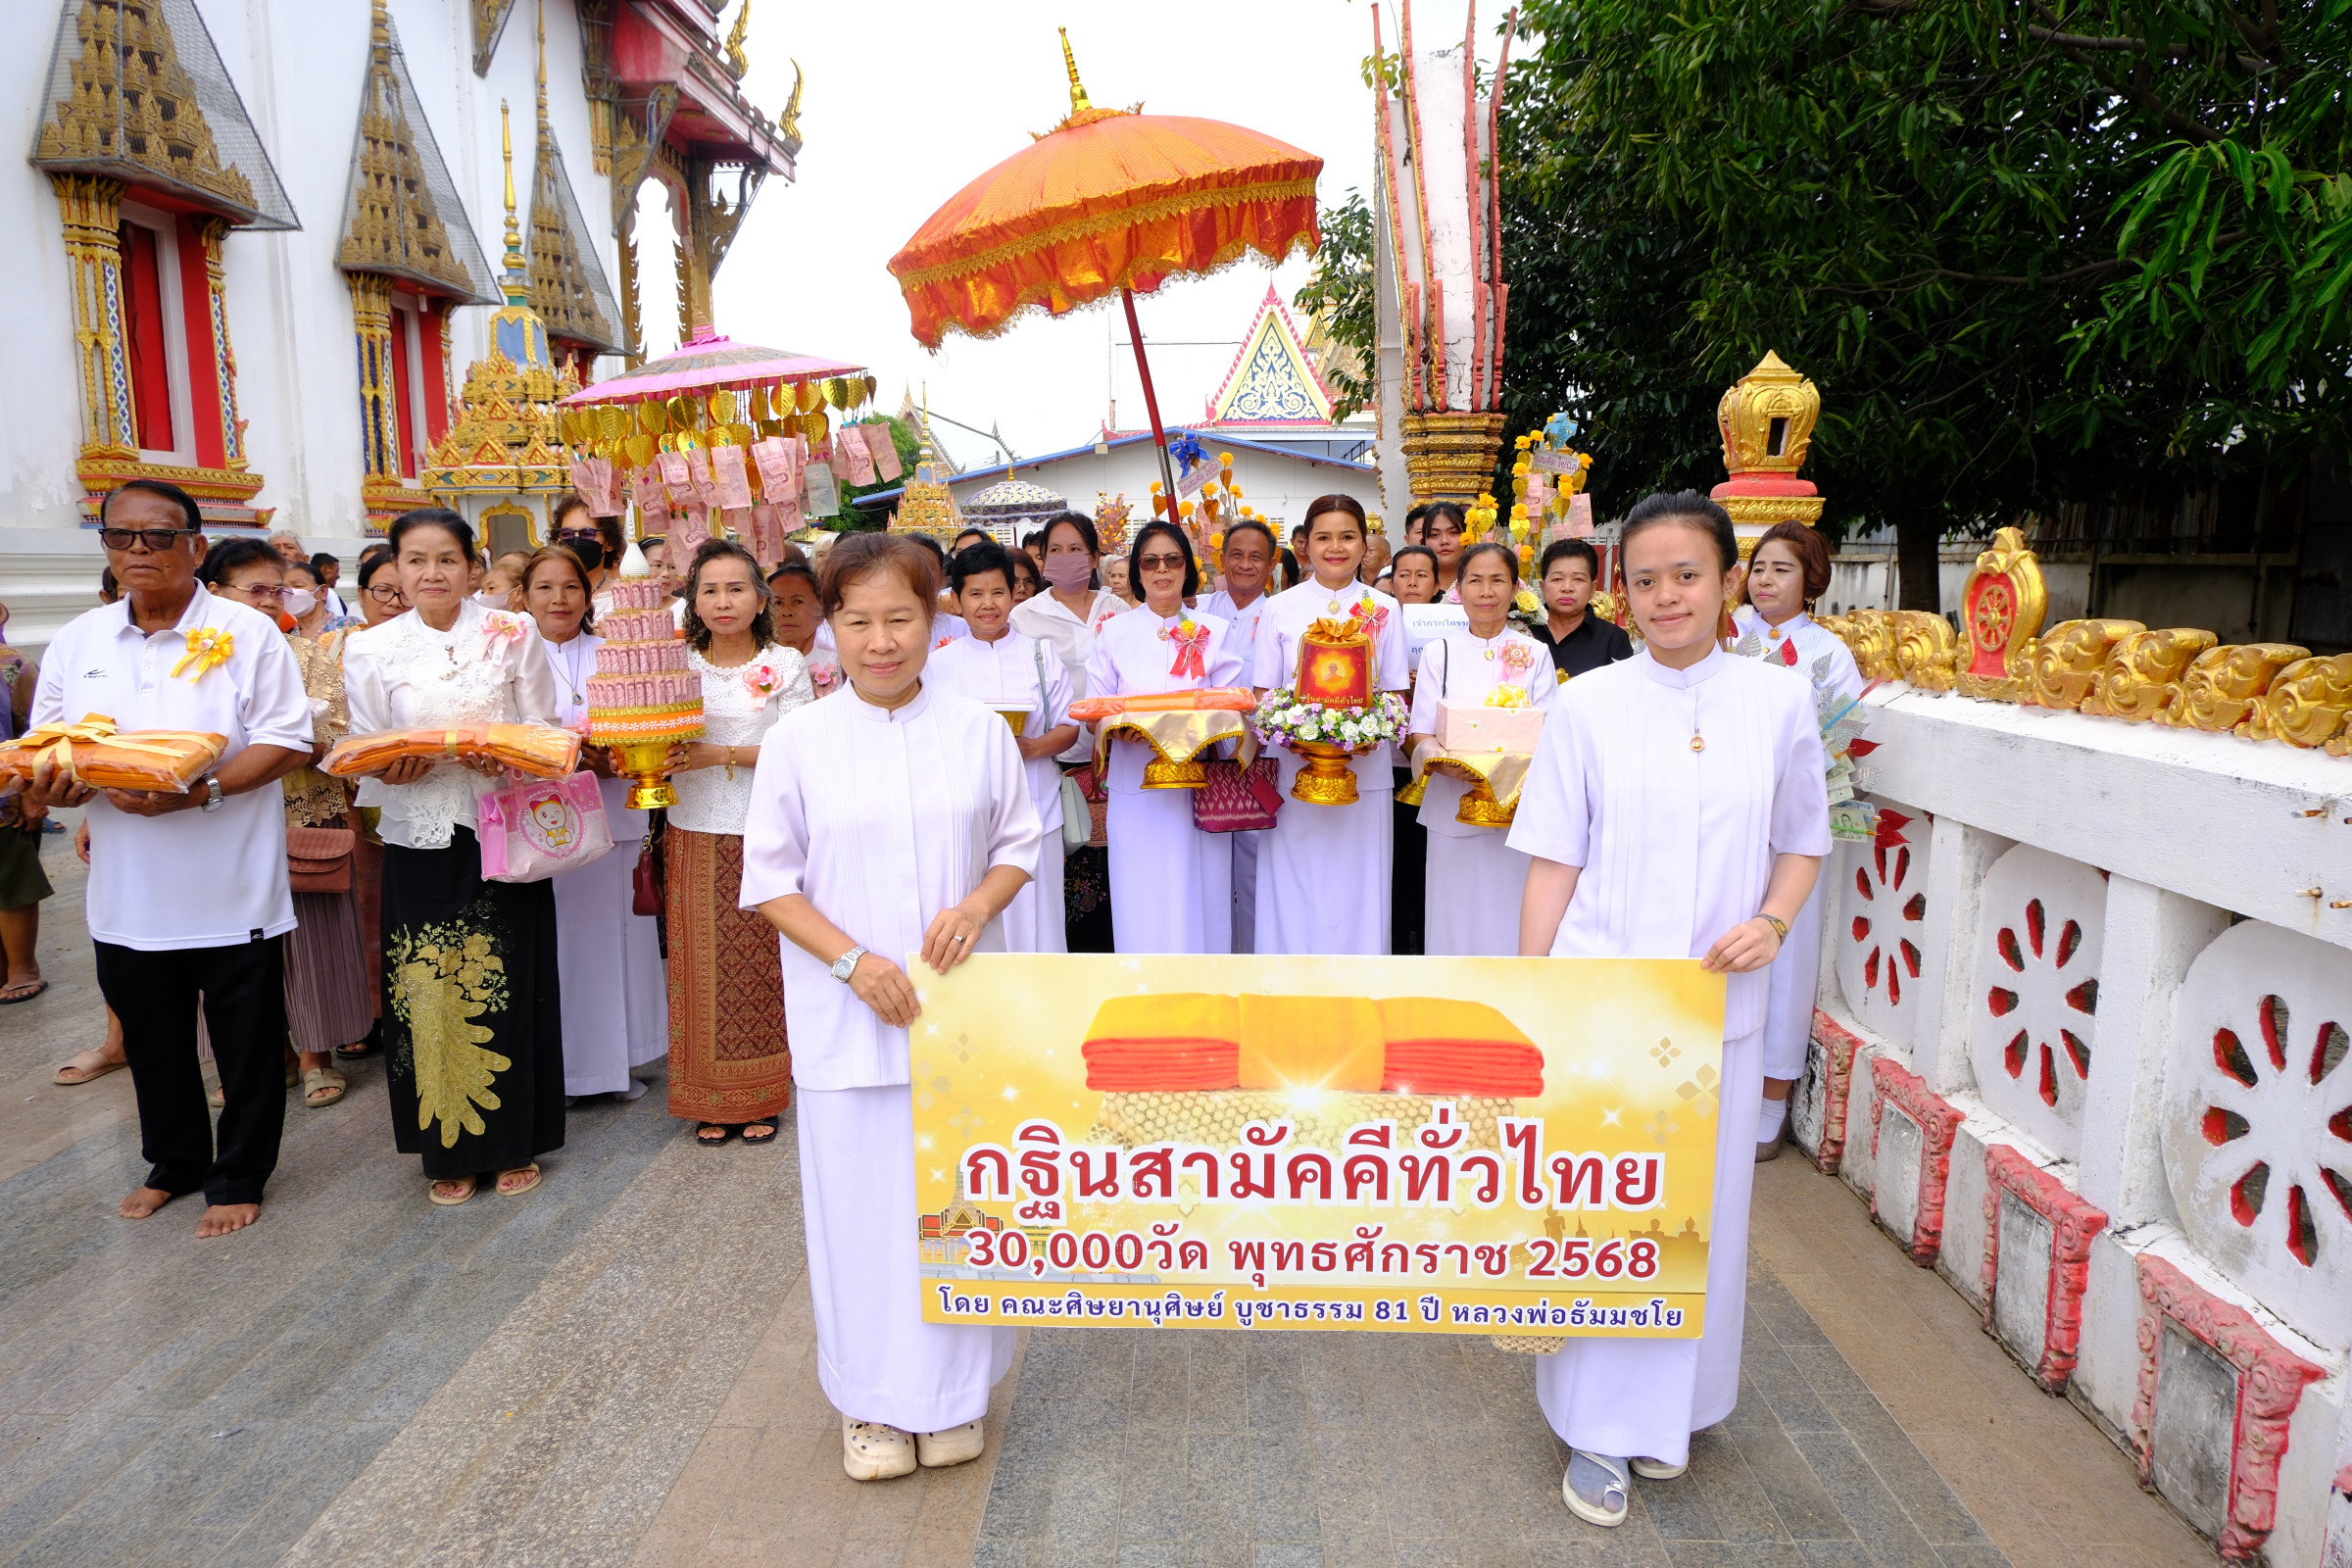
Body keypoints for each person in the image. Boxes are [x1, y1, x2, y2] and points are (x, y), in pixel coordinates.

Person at [1509, 491, 1828, 1526]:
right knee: (1607, 1215)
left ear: (1729, 579)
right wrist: (1534, 990)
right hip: (1605, 1004)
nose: (1665, 596)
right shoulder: (1588, 703)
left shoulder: (1777, 703)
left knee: (1704, 1217)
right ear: (1622, 590)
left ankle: (1678, 1409)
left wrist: (1772, 924)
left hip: (1718, 1009)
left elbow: (1803, 840)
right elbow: (1554, 856)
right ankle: (1598, 1426)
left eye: (1686, 573)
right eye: (1644, 578)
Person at [741, 530, 1037, 1482]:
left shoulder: (976, 729)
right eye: (858, 619)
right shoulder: (797, 740)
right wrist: (852, 963)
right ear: (829, 624)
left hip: (958, 1017)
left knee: (956, 1204)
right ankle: (870, 1409)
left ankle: (952, 1400)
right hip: (847, 1018)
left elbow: (1019, 842)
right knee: (863, 1216)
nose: (880, 640)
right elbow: (770, 882)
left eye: (900, 617)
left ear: (935, 615)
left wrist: (978, 904)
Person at [24, 479, 313, 1237]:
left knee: (246, 1043)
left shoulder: (247, 634)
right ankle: (175, 1164)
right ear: (107, 548)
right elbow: (52, 754)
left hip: (233, 881)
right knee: (152, 1037)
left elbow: (287, 740)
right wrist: (57, 789)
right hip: (128, 889)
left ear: (195, 546)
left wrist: (199, 791)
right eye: (122, 537)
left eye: (157, 537)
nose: (139, 551)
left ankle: (239, 1173)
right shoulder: (79, 640)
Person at [343, 509, 565, 1206]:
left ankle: (514, 1142)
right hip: (422, 836)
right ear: (397, 570)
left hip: (502, 829)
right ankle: (448, 1146)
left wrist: (503, 749)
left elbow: (548, 731)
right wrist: (391, 769)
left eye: (446, 559)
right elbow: (362, 751)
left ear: (473, 566)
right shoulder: (370, 650)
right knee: (428, 987)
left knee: (512, 979)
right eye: (415, 560)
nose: (431, 573)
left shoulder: (513, 631)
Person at [200, 538, 370, 1107]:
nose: (272, 602)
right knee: (228, 942)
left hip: (303, 812)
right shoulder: (195, 661)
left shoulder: (310, 655)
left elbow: (334, 732)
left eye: (280, 590)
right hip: (217, 818)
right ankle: (253, 1056)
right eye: (256, 591)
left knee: (308, 937)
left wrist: (299, 737)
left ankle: (315, 1053)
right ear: (214, 592)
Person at [664, 538, 812, 1143]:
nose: (723, 601)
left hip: (766, 831)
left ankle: (762, 1094)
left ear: (760, 599)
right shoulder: (675, 666)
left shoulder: (786, 664)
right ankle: (707, 1097)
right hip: (693, 831)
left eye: (736, 588)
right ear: (693, 602)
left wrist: (717, 754)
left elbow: (798, 750)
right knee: (700, 965)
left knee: (764, 966)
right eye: (709, 589)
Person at [518, 546, 667, 1108]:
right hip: (542, 819)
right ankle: (559, 1072)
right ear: (524, 597)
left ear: (589, 594)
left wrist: (617, 756)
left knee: (614, 943)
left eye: (571, 588)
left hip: (611, 806)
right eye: (544, 588)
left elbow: (646, 721)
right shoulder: (511, 655)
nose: (559, 599)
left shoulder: (615, 653)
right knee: (557, 945)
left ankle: (610, 1067)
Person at [1732, 519, 1862, 1159]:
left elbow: (1844, 739)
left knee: (1783, 955)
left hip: (1791, 828)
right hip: (1728, 817)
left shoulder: (1829, 653)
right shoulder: (1724, 638)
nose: (1766, 580)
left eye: (1781, 569)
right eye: (1758, 567)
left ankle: (1770, 1101)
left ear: (1811, 579)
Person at [1250, 494, 1407, 956]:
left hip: (1365, 773)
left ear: (1365, 546)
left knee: (1360, 881)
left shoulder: (1385, 609)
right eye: (1323, 537)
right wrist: (1296, 735)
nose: (1334, 547)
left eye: (1346, 537)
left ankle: (1360, 988)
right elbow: (1263, 694)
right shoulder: (1280, 608)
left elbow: (1395, 694)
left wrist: (1363, 737)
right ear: (1304, 545)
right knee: (1294, 878)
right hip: (1293, 771)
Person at [1086, 524, 1248, 954]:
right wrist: (1123, 728)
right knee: (1140, 894)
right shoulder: (1113, 632)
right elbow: (1094, 712)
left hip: (1199, 788)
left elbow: (1235, 711)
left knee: (1204, 893)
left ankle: (1204, 994)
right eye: (1150, 561)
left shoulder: (1213, 629)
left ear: (1187, 568)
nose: (1162, 570)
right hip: (1135, 787)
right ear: (1137, 569)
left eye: (1173, 559)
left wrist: (1198, 733)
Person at [1405, 543, 1557, 956]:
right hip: (1451, 802)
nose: (1486, 591)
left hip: (1515, 809)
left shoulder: (1535, 653)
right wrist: (1447, 763)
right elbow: (1420, 732)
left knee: (1510, 909)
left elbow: (1548, 730)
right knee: (1453, 912)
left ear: (1514, 589)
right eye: (1475, 580)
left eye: (1497, 581)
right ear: (1458, 589)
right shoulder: (1441, 652)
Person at [930, 540, 1078, 953]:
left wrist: (1030, 747)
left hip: (1036, 801)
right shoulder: (940, 664)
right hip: (968, 810)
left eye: (998, 591)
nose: (988, 604)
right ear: (957, 600)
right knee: (979, 915)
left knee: (1041, 913)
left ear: (1014, 592)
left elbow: (1070, 727)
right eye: (975, 594)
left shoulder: (1040, 654)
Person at [1009, 513, 1125, 952]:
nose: (1065, 558)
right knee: (1067, 872)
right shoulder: (1025, 616)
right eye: (1054, 550)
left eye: (1075, 549)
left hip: (1117, 757)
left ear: (1094, 556)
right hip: (1055, 760)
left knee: (1116, 867)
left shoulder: (1115, 609)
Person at [1200, 519, 1277, 952]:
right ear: (1222, 559)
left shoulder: (1280, 614)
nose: (1245, 564)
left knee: (1254, 865)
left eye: (1256, 556)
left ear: (1270, 563)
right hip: (1202, 755)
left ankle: (1251, 956)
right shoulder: (1198, 612)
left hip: (1260, 758)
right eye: (1236, 554)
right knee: (1208, 865)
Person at [0, 610, 51, 1006]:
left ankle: (23, 967)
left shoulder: (14, 666)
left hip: (5, 799)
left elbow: (37, 735)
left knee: (13, 887)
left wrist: (34, 796)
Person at [1532, 538, 1634, 677]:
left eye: (1578, 579)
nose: (1567, 588)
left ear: (1592, 588)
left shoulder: (1613, 639)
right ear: (1542, 587)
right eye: (1557, 579)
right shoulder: (1523, 630)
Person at [768, 562, 840, 696]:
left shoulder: (839, 667)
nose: (786, 612)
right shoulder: (753, 664)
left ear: (821, 610)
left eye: (798, 601)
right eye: (778, 603)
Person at [551, 494, 628, 613]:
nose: (575, 540)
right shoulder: (547, 595)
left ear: (609, 543)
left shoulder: (624, 598)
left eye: (587, 534)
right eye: (566, 534)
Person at [1424, 502, 1469, 599]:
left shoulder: (1481, 585)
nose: (1444, 541)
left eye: (1453, 533)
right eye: (1435, 535)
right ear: (1423, 541)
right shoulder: (1412, 586)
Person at [356, 552, 409, 627]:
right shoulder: (339, 638)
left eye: (406, 593)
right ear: (361, 595)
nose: (395, 602)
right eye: (383, 590)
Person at [310, 552, 355, 622]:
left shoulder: (308, 592)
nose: (338, 576)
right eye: (336, 571)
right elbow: (340, 623)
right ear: (325, 569)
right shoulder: (329, 594)